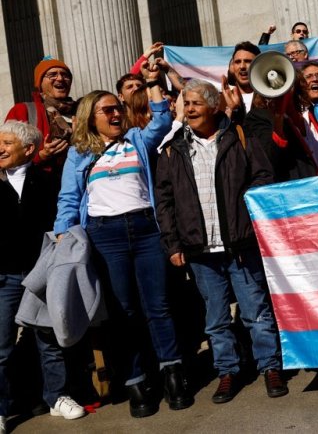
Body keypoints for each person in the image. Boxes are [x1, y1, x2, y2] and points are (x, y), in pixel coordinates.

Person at [53, 64, 193, 418]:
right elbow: (69, 198)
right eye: (108, 110)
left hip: (146, 230)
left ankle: (172, 372)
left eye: (118, 107)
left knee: (158, 305)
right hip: (105, 235)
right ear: (91, 117)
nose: (116, 113)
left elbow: (161, 121)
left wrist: (152, 81)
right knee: (123, 312)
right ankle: (136, 380)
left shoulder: (136, 139)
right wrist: (61, 233)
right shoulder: (79, 153)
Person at [156, 80, 287, 402]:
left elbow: (262, 178)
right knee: (215, 320)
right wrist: (173, 245)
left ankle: (270, 367)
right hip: (199, 250)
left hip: (239, 245)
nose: (190, 109)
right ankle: (227, 372)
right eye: (186, 104)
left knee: (256, 311)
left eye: (196, 103)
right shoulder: (173, 149)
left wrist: (245, 214)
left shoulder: (240, 137)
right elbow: (165, 201)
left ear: (214, 107)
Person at [0, 121, 86, 430]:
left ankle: (57, 397)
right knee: (2, 347)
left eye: (8, 143)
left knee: (49, 339)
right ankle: (3, 408)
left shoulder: (47, 182)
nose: (1, 148)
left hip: (43, 272)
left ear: (29, 149)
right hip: (5, 276)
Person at [5, 58, 76, 170]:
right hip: (42, 183)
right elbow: (7, 155)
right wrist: (41, 155)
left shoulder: (81, 110)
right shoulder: (22, 111)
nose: (60, 78)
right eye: (52, 74)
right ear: (40, 83)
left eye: (65, 75)